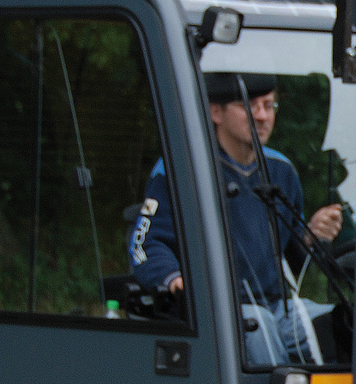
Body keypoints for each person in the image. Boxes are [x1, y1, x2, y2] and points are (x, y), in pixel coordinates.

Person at [130, 72, 343, 362]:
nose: (262, 116)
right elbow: (146, 243)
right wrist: (176, 279)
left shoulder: (281, 170)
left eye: (269, 106)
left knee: (345, 323)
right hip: (217, 311)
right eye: (249, 106)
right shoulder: (182, 169)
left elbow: (292, 260)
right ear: (214, 112)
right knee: (259, 328)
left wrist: (311, 236)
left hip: (278, 306)